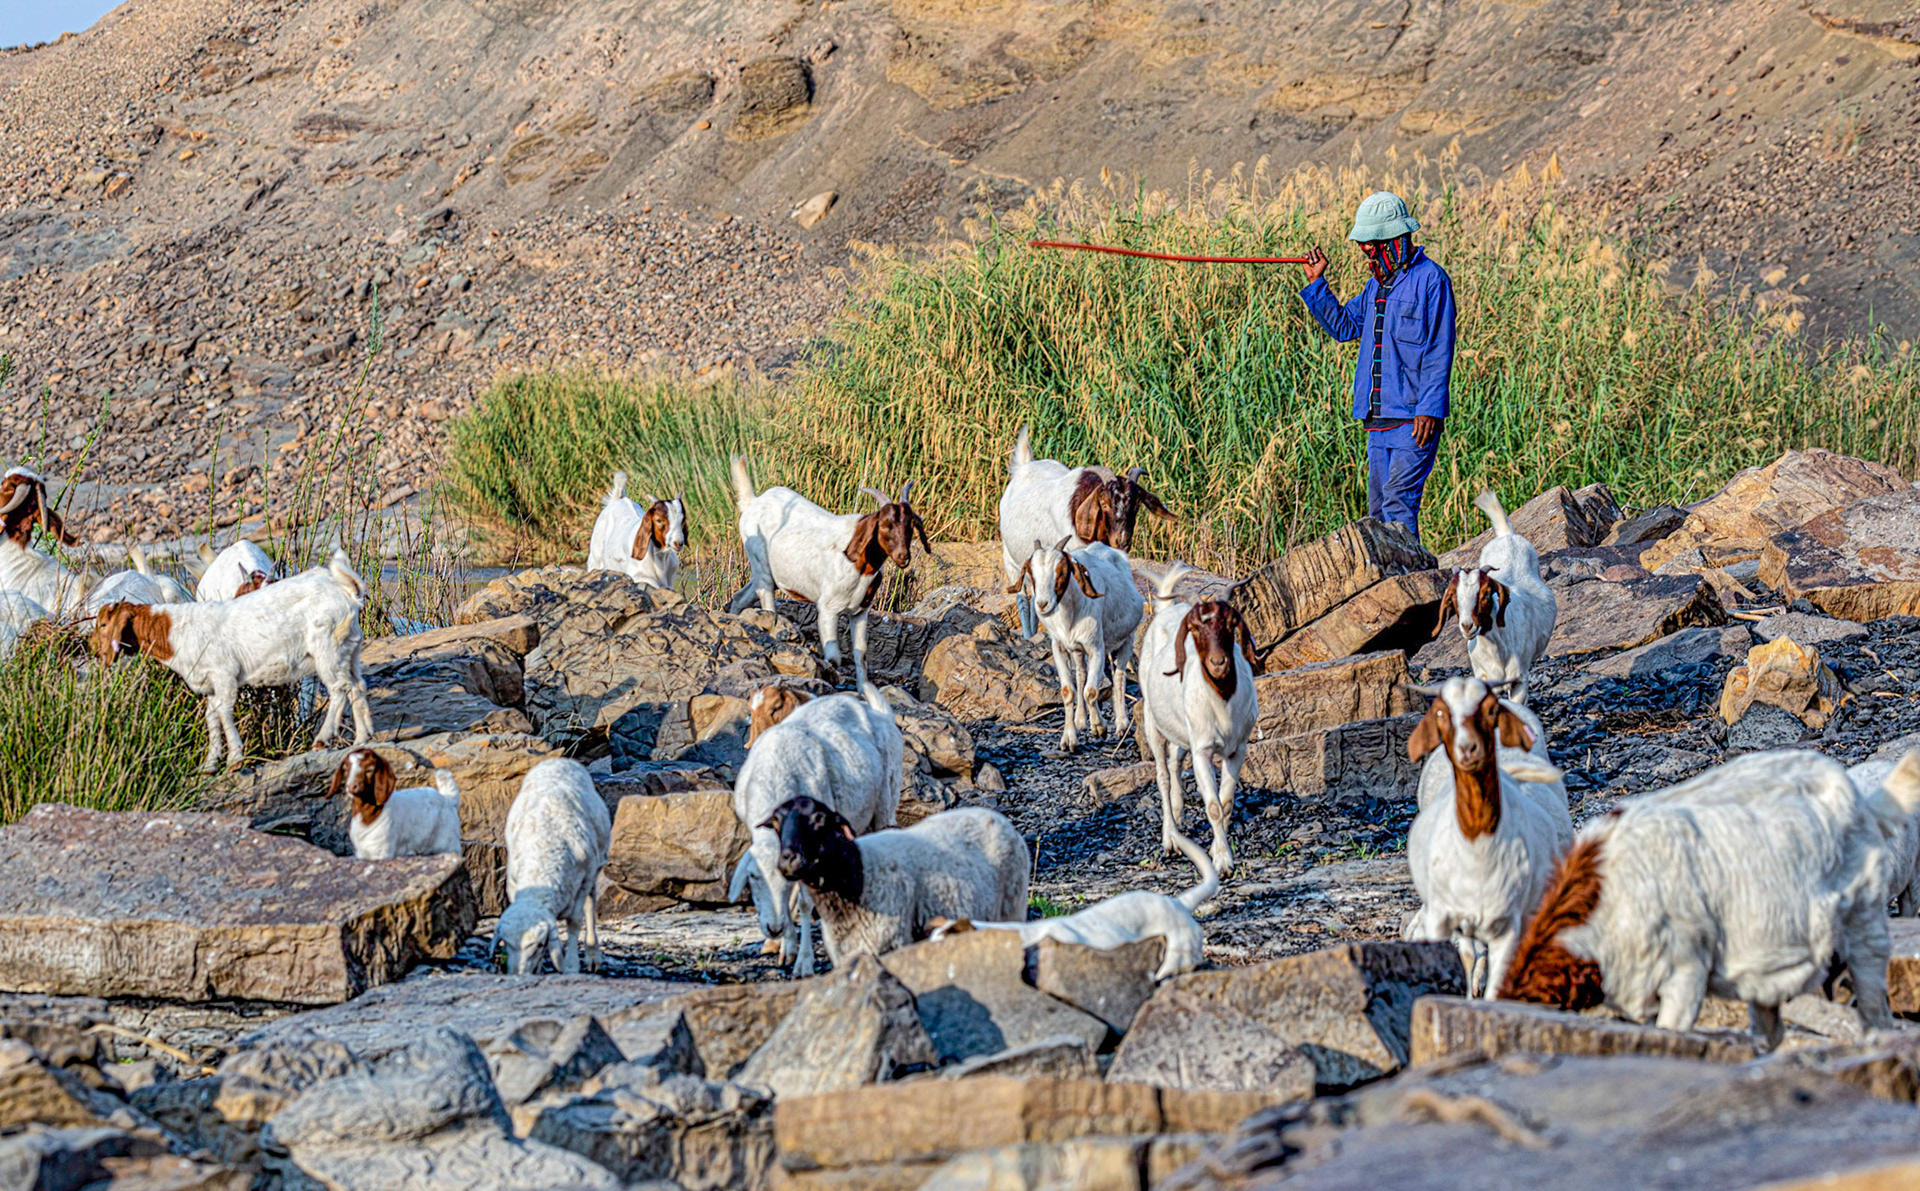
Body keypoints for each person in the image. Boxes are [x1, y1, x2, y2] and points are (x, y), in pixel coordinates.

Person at [1297, 191, 1456, 543]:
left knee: (1399, 503)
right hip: (1377, 421)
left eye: (1373, 242)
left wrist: (1429, 409)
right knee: (1379, 512)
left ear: (1395, 238)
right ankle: (1392, 589)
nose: (1366, 250)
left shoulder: (1432, 281)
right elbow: (1342, 327)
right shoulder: (1374, 287)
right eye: (1364, 244)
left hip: (1414, 422)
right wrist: (1316, 283)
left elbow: (1438, 351)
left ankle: (1415, 585)